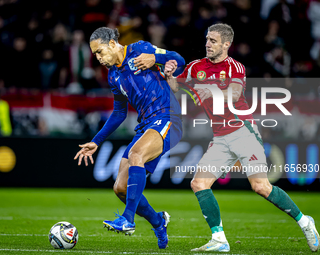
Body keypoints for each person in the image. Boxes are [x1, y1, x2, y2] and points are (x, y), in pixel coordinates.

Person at [164, 23, 319, 252]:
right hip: (220, 136)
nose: (207, 44)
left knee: (261, 187)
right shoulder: (196, 66)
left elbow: (235, 93)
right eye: (207, 39)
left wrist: (211, 91)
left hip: (243, 131)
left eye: (213, 41)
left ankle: (305, 222)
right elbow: (176, 86)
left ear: (227, 44)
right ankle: (219, 240)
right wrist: (169, 74)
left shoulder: (235, 67)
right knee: (198, 183)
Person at [74, 27, 185, 249]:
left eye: (100, 52)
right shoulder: (113, 75)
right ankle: (158, 221)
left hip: (168, 117)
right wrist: (96, 140)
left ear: (113, 44)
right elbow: (119, 113)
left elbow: (179, 60)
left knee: (136, 154)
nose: (98, 58)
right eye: (95, 54)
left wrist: (156, 58)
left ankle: (128, 219)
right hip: (146, 125)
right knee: (120, 188)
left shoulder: (140, 49)